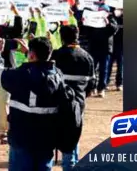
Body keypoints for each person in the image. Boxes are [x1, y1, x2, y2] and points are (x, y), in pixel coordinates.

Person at [0, 37, 65, 171]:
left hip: (22, 138)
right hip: (46, 139)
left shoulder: (21, 75)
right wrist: (28, 53)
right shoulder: (57, 75)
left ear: (31, 54)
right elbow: (40, 66)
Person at [51, 25, 95, 171]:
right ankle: (70, 164)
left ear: (62, 38)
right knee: (73, 134)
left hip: (56, 103)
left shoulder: (56, 55)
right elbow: (90, 88)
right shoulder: (87, 58)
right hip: (78, 104)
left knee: (53, 134)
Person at [0, 4, 22, 145]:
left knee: (3, 103)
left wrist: (14, 10)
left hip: (8, 71)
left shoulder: (12, 32)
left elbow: (19, 28)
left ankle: (3, 132)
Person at [84, 4, 118, 98]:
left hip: (105, 49)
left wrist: (107, 23)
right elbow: (86, 32)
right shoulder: (93, 17)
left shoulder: (111, 19)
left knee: (104, 70)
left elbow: (114, 29)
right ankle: (91, 87)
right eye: (101, 10)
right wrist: (84, 22)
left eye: (104, 11)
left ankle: (101, 89)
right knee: (92, 69)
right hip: (94, 48)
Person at [107, 8, 123, 91]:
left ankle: (119, 83)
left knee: (120, 66)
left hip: (121, 45)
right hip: (110, 44)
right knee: (108, 65)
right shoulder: (111, 16)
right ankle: (106, 82)